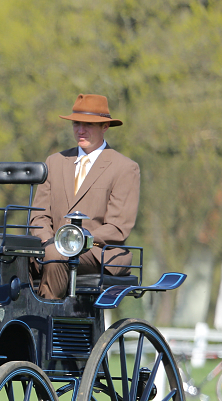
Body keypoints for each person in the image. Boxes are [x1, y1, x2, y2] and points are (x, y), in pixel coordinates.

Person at [30, 94, 140, 299]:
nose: (81, 130)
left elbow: (117, 227)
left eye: (88, 124)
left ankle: (46, 320)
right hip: (50, 246)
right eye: (76, 124)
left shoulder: (124, 168)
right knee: (10, 253)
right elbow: (39, 216)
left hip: (97, 252)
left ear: (105, 126)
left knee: (56, 254)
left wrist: (69, 241)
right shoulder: (55, 162)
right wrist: (47, 239)